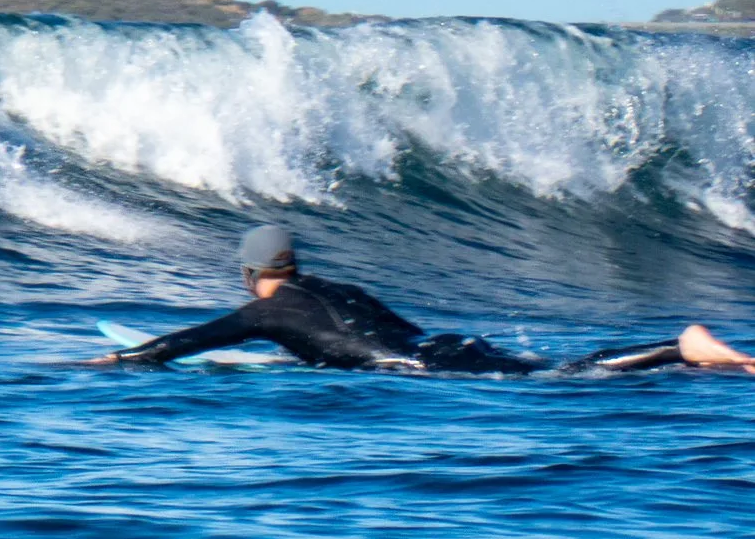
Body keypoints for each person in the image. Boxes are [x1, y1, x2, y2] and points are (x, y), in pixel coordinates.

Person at [105, 224, 751, 375]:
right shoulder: (337, 288)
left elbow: (178, 346)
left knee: (567, 379)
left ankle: (679, 345)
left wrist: (111, 363)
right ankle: (683, 350)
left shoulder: (264, 312)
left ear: (250, 273)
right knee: (561, 369)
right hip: (446, 345)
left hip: (428, 370)